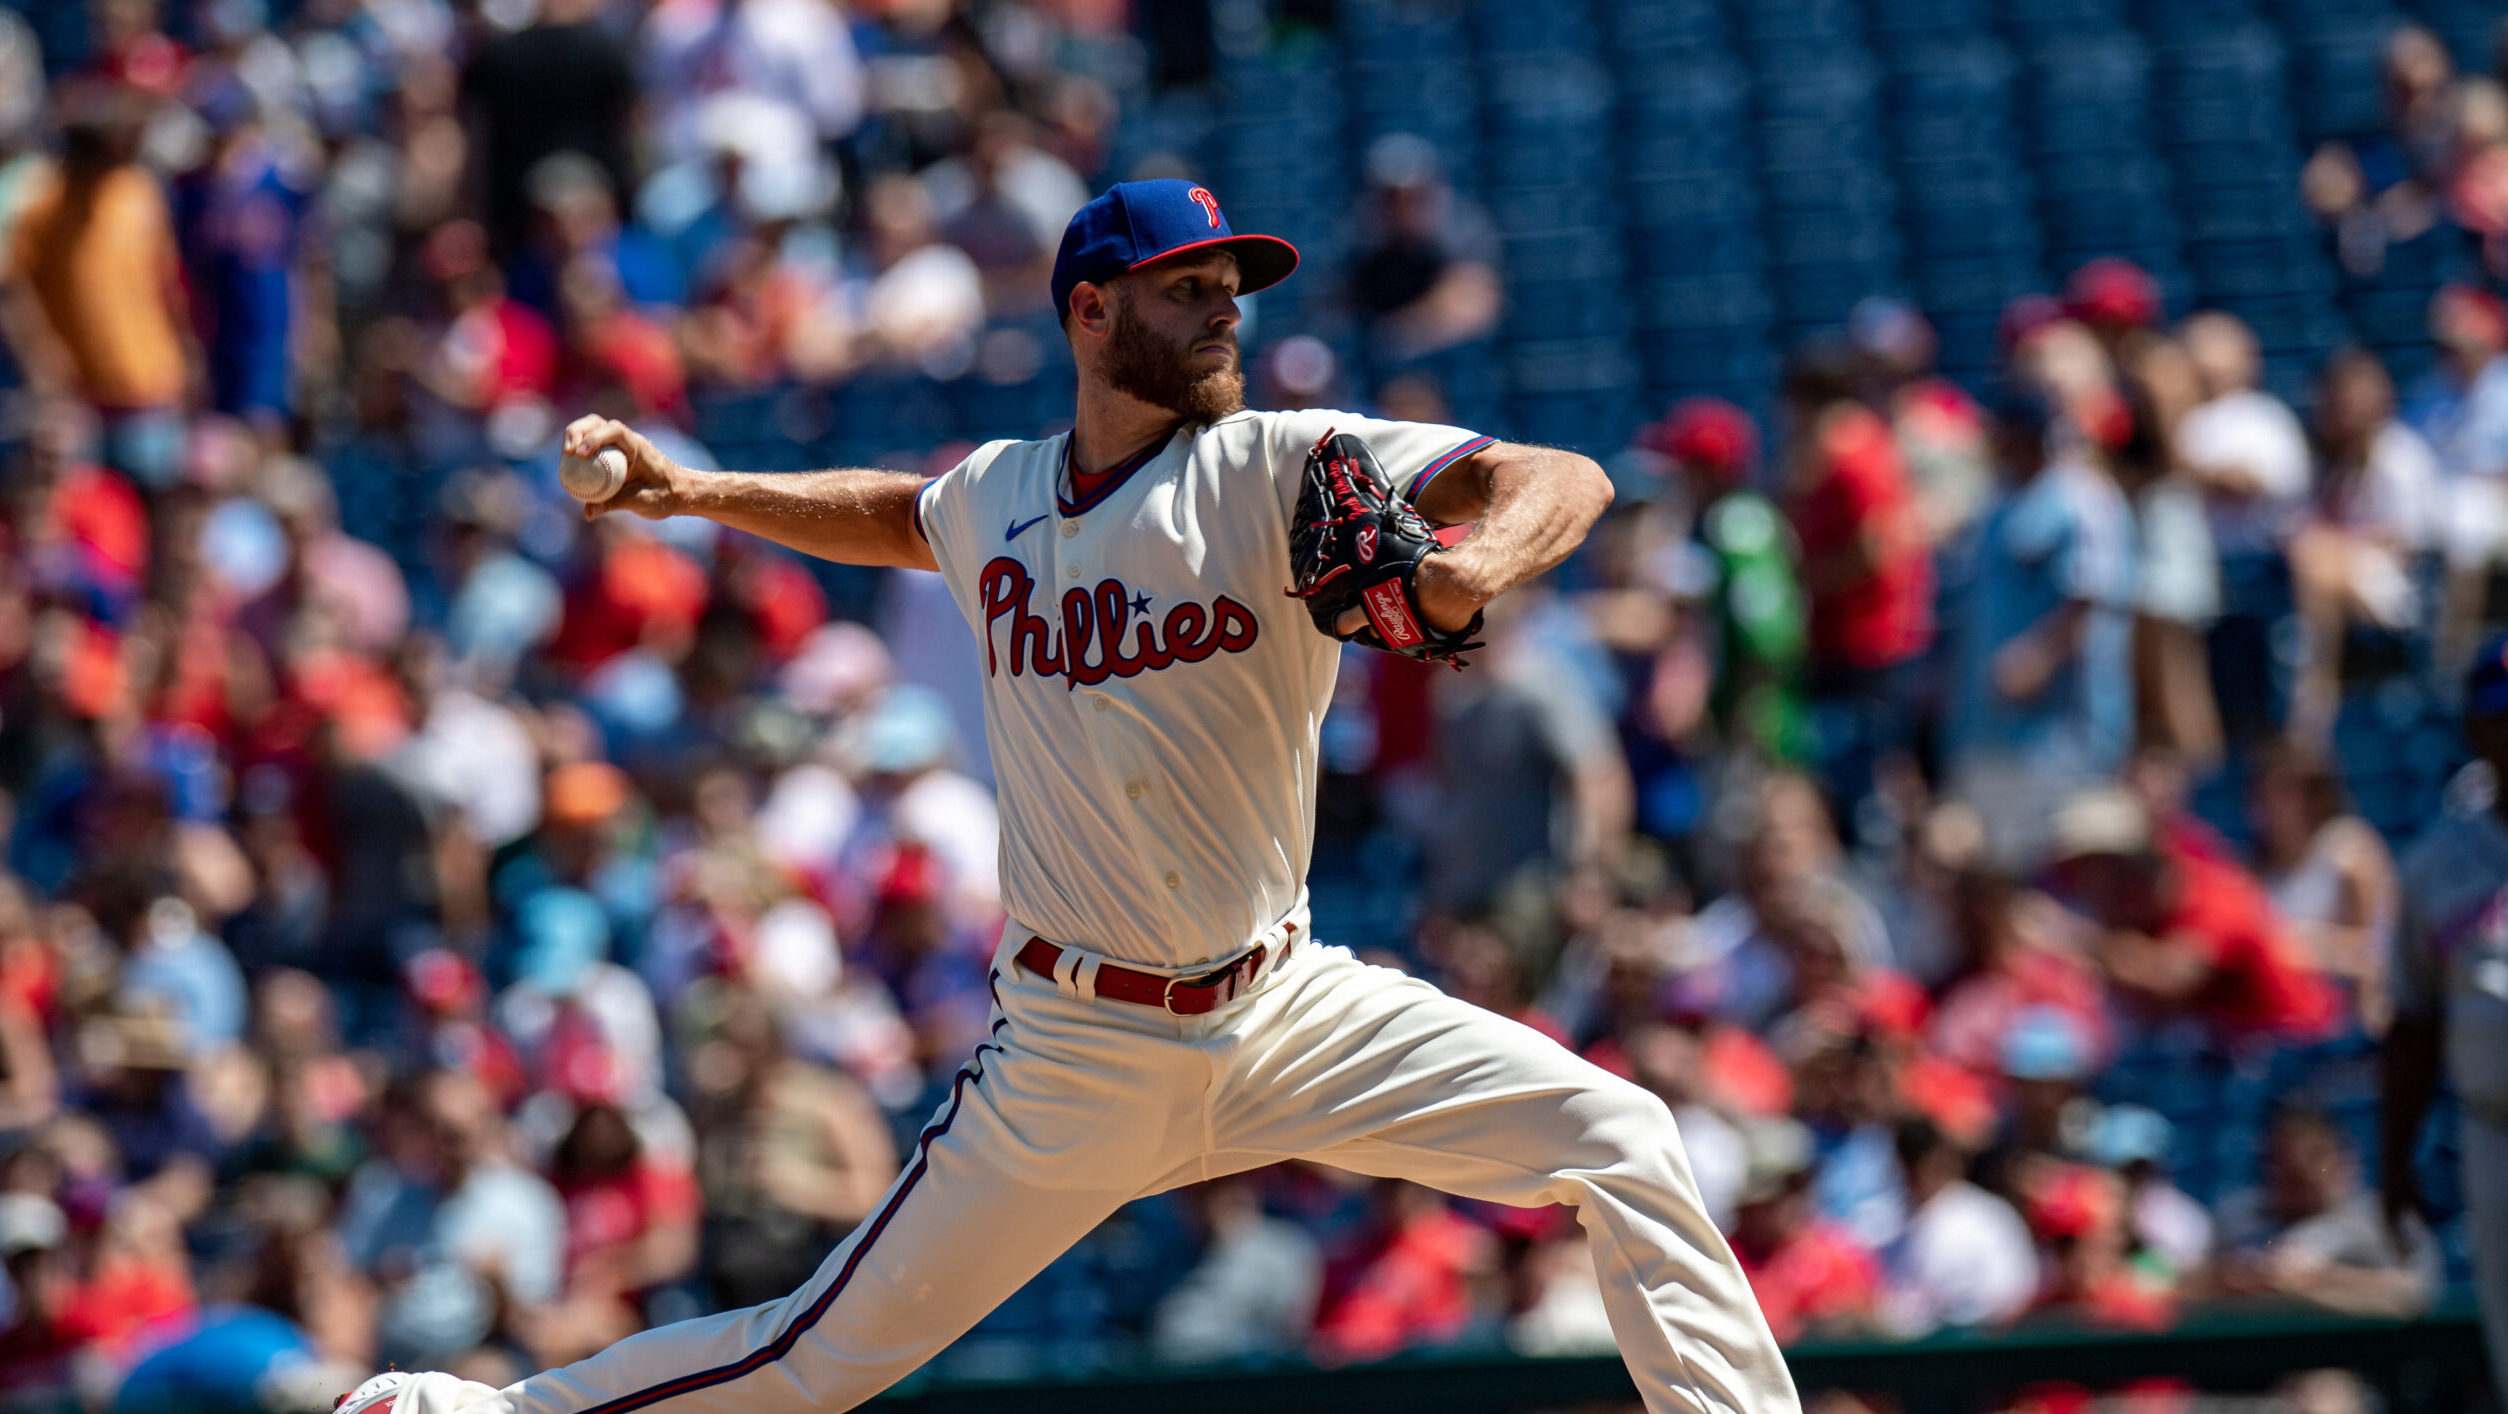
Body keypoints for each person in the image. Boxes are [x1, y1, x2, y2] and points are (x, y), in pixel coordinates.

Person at [339, 179, 1798, 1414]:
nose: (1225, 309)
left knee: (1624, 1139)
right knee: (812, 1360)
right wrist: (699, 492)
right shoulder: (1000, 492)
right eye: (1183, 287)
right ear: (1089, 313)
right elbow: (891, 513)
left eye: (1233, 283)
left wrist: (1472, 567)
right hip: (1078, 1045)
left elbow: (1568, 475)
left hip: (1288, 1004)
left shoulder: (1280, 465)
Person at [2385, 631, 2508, 1404]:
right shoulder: (2439, 860)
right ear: (2475, 726)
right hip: (2496, 1130)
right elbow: (2413, 1023)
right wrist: (2394, 1160)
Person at [1944, 385, 2136, 868]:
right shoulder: (1998, 503)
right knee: (2002, 859)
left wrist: (2042, 656)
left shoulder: (2084, 499)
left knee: (2065, 853)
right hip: (1991, 723)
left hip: (2062, 723)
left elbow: (2090, 595)